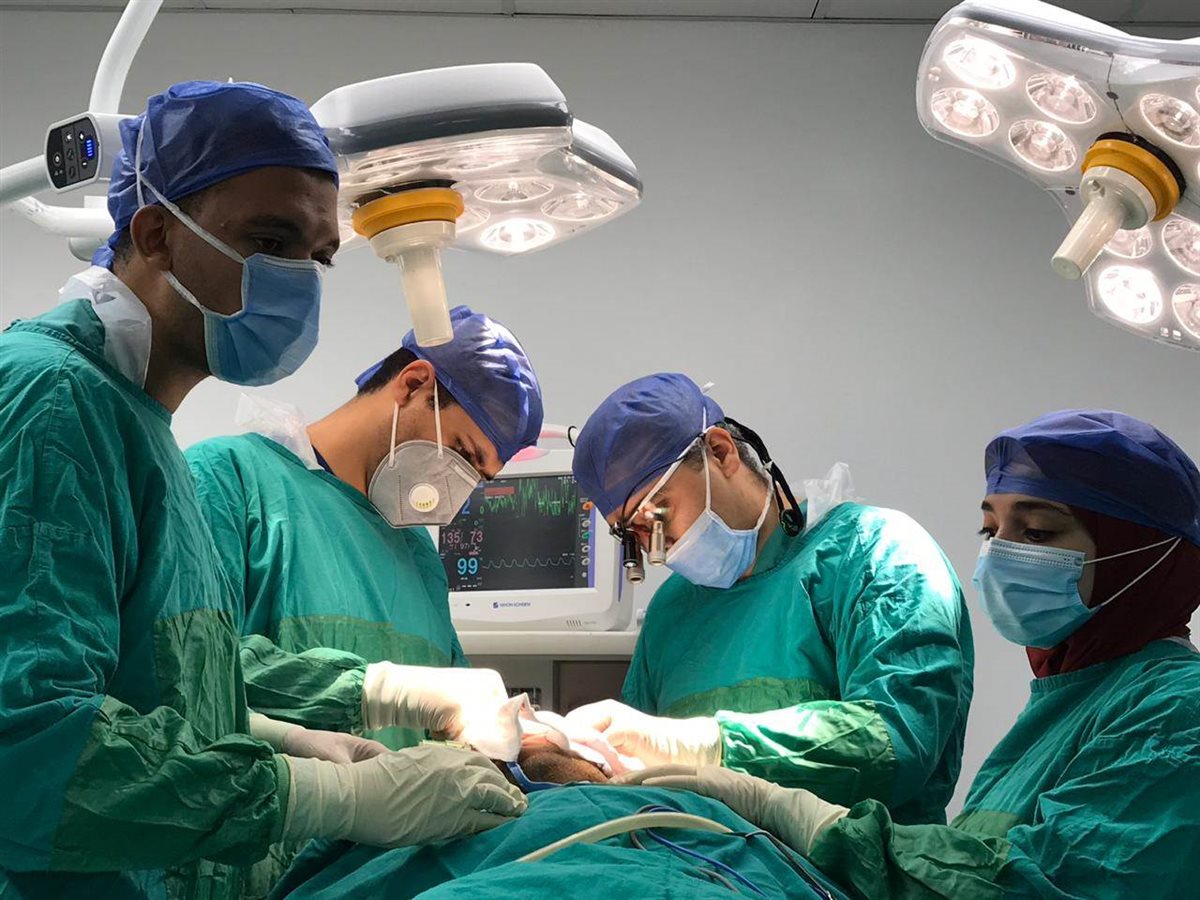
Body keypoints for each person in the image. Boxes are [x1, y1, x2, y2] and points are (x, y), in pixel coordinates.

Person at [0, 81, 523, 900]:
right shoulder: (54, 402)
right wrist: (323, 796)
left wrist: (271, 735)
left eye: (319, 257)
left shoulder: (143, 431)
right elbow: (28, 740)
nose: (298, 281)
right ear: (157, 235)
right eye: (270, 239)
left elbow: (154, 685)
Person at [628, 410, 1200, 899]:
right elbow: (972, 866)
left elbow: (1036, 884)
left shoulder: (1177, 713)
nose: (999, 555)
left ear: (1142, 555)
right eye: (990, 530)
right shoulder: (1058, 713)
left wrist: (797, 815)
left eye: (1036, 533)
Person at [185, 307, 542, 896]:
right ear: (414, 384)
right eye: (463, 451)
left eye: (479, 477)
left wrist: (520, 735)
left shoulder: (418, 556)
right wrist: (378, 689)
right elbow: (188, 675)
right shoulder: (228, 481)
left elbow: (449, 726)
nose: (459, 488)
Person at [564, 373, 974, 825]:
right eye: (633, 535)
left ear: (720, 451)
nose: (655, 550)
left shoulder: (875, 553)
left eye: (656, 517)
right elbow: (635, 787)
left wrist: (709, 745)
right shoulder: (670, 612)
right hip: (691, 857)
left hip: (848, 860)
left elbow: (898, 740)